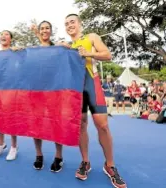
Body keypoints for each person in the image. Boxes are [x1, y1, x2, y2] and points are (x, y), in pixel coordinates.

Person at [62, 14, 126, 188]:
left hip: (92, 84)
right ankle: (85, 162)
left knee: (102, 125)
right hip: (76, 89)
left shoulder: (91, 37)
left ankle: (110, 165)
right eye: (66, 24)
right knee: (81, 125)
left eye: (72, 22)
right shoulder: (66, 47)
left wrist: (88, 53)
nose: (69, 25)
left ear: (79, 24)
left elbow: (107, 54)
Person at [30, 21, 63, 172]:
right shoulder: (34, 50)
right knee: (36, 124)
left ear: (51, 30)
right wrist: (15, 50)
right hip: (37, 92)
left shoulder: (57, 48)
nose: (44, 31)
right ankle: (39, 155)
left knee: (56, 123)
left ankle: (58, 157)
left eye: (47, 28)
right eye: (42, 28)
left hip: (54, 92)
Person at [0, 30, 18, 161]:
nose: (3, 36)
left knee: (11, 118)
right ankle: (1, 144)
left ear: (11, 39)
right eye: (2, 34)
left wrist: (20, 52)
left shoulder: (16, 52)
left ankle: (13, 147)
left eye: (7, 34)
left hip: (11, 90)